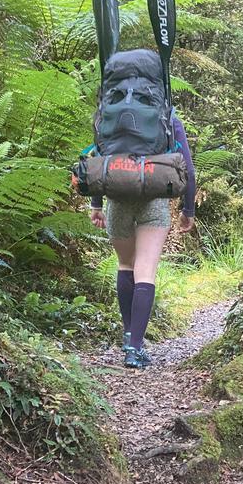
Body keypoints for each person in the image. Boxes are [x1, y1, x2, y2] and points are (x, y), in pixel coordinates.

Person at [89, 114, 196, 369]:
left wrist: (95, 204)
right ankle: (134, 348)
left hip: (117, 198)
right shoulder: (167, 116)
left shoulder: (107, 112)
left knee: (126, 264)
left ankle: (128, 336)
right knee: (145, 270)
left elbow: (96, 157)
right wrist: (188, 209)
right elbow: (188, 168)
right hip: (154, 197)